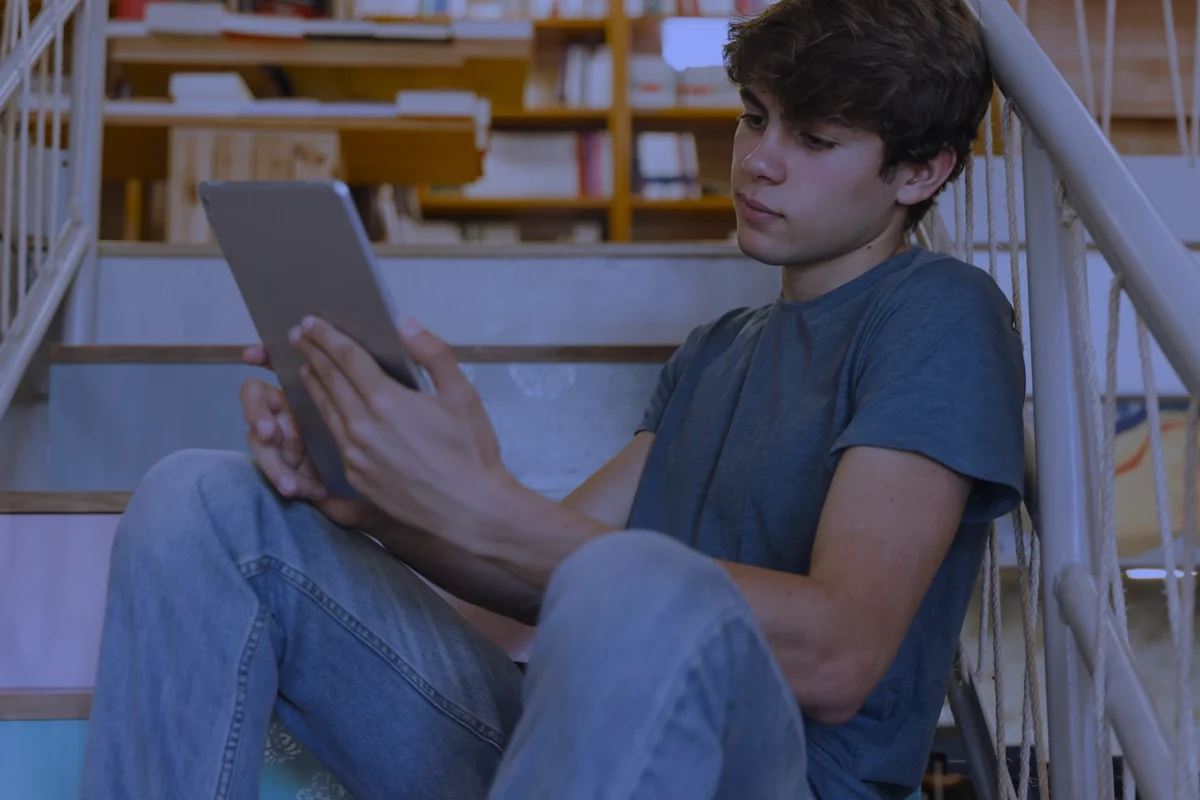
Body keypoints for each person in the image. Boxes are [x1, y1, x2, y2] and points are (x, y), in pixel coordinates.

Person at [79, 0, 1026, 797]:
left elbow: (840, 652)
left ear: (922, 170)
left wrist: (483, 499)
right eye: (753, 116)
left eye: (814, 140)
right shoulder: (717, 353)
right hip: (569, 748)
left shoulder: (938, 310)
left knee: (632, 580)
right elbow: (526, 591)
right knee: (201, 501)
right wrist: (375, 502)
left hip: (765, 774)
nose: (759, 161)